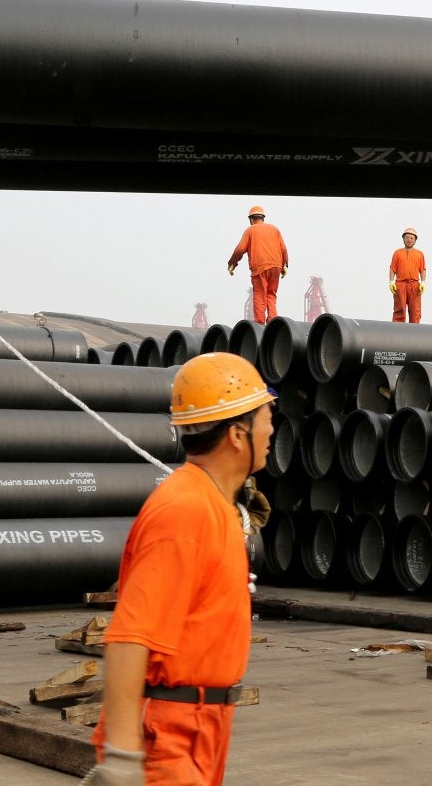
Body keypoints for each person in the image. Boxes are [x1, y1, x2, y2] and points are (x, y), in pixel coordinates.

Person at [85, 352, 275, 785]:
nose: (272, 428)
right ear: (237, 435)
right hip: (168, 735)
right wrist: (120, 757)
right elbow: (130, 639)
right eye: (266, 416)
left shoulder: (214, 503)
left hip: (201, 726)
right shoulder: (185, 512)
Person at [226, 205, 288, 325]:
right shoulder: (274, 229)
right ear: (262, 218)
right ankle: (272, 323)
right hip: (276, 266)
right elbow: (283, 249)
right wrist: (284, 265)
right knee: (271, 295)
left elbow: (240, 249)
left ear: (251, 219)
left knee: (260, 295)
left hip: (260, 267)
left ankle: (259, 325)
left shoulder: (250, 231)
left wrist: (232, 263)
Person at [388, 226, 427, 323]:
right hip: (400, 284)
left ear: (415, 240)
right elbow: (392, 268)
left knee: (415, 311)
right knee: (399, 309)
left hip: (414, 285)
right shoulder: (397, 253)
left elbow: (422, 269)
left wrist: (423, 282)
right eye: (407, 237)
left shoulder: (419, 254)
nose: (409, 240)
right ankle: (398, 330)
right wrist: (391, 282)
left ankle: (415, 332)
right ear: (403, 239)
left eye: (411, 238)